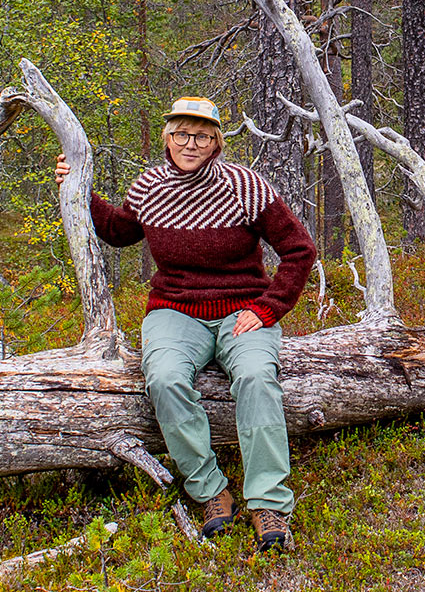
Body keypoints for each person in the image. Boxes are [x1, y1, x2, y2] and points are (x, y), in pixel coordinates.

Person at [54, 96, 315, 552]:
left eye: (202, 136)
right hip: (174, 310)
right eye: (181, 134)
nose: (190, 144)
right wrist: (79, 186)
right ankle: (211, 491)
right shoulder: (150, 187)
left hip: (243, 310)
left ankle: (268, 502)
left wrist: (268, 308)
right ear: (167, 138)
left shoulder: (245, 186)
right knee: (164, 379)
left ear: (216, 142)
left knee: (256, 378)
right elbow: (118, 231)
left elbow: (299, 249)